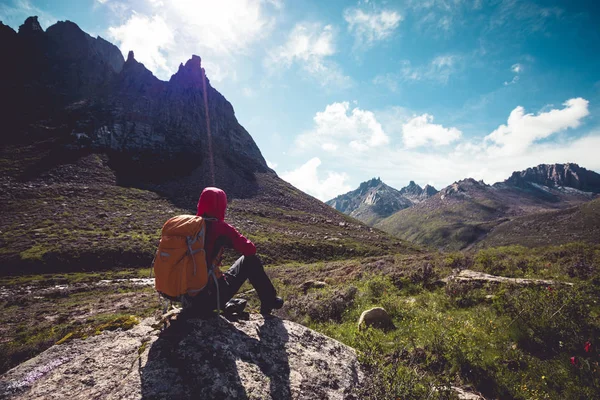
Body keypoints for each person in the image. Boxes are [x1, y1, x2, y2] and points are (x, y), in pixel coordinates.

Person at [188, 186, 283, 315]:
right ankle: (269, 300)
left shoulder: (186, 226)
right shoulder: (221, 228)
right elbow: (250, 249)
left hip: (182, 296)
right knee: (250, 261)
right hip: (209, 298)